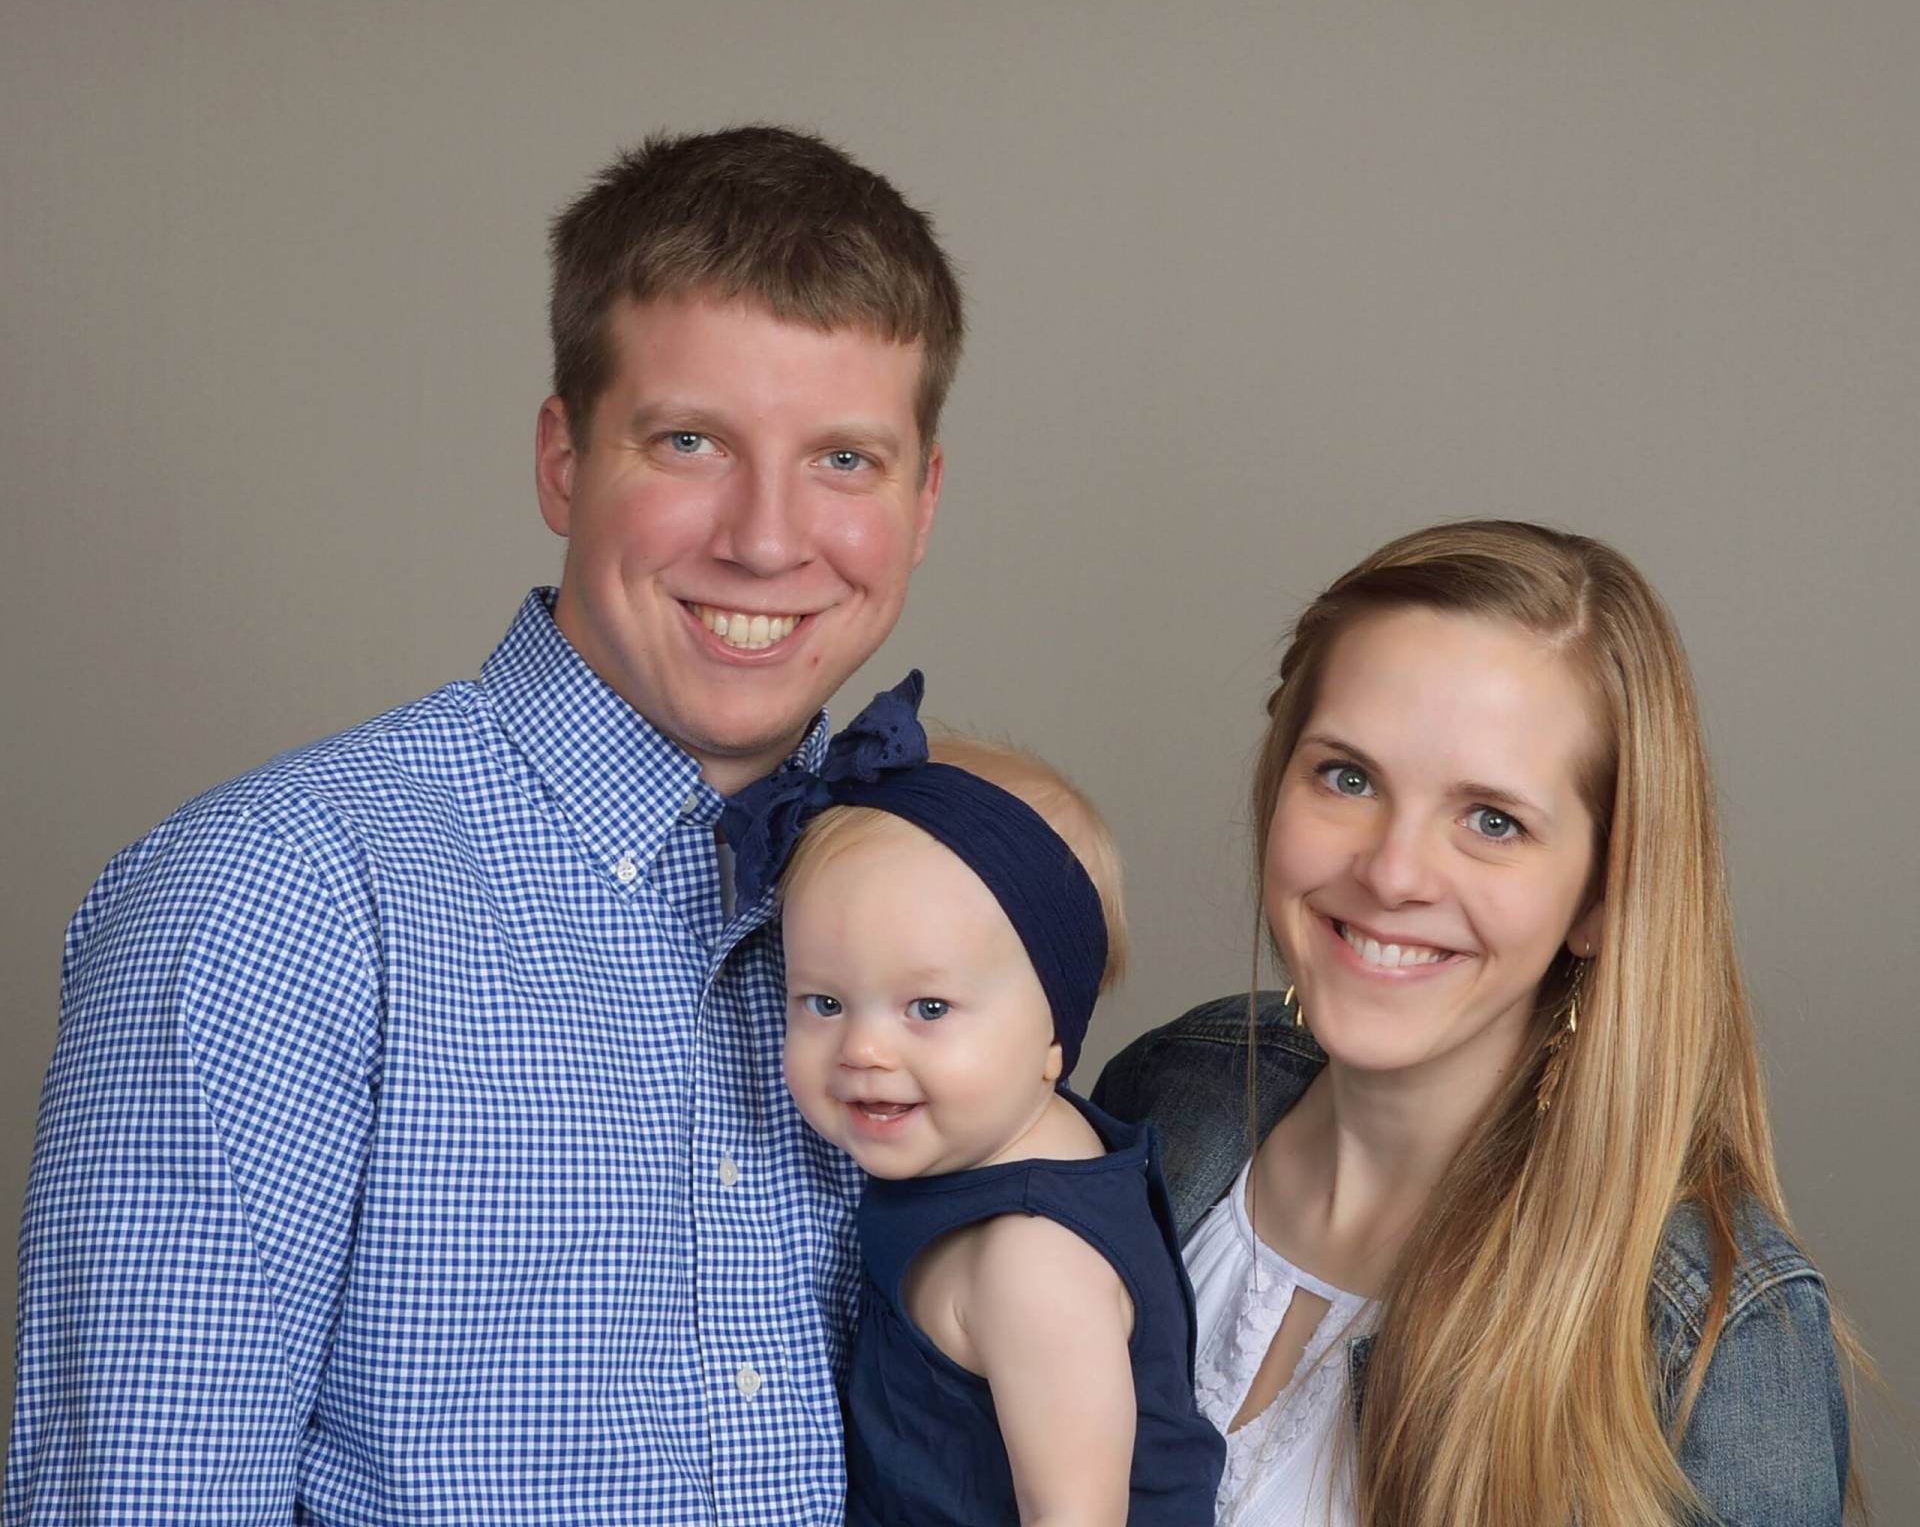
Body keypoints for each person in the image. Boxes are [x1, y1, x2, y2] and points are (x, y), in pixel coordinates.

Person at [8, 126, 963, 1526]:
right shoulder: (275, 901)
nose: (768, 539)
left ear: (925, 502)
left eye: (845, 461)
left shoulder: (949, 897)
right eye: (690, 441)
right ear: (564, 461)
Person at [1093, 521, 1862, 1527]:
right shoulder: (1170, 1090)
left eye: (1492, 819)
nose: (1393, 873)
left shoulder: (1715, 1340)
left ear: (1601, 897)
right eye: (1348, 776)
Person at [719, 671, 1225, 1525]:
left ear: (1052, 1035)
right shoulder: (1005, 1148)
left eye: (929, 1008)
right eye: (824, 1002)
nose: (865, 1050)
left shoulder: (1030, 1262)